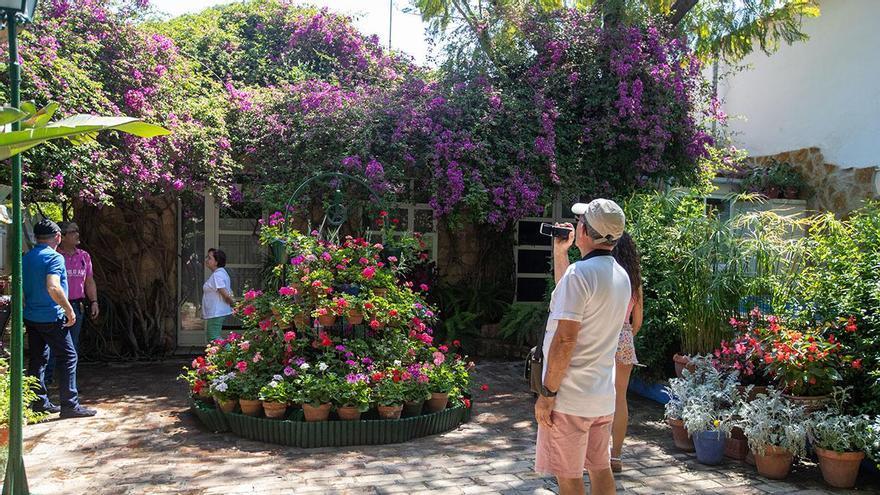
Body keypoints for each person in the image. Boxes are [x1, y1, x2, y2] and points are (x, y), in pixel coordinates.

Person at [534, 199, 631, 495]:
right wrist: (561, 253)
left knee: (569, 478)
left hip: (570, 398)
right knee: (600, 469)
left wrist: (547, 395)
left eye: (580, 222)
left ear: (585, 231)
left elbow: (565, 339)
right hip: (600, 396)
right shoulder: (620, 275)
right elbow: (568, 300)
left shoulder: (581, 275)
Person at [24, 219, 96, 418]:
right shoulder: (54, 258)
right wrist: (68, 310)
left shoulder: (27, 257)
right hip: (51, 316)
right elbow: (53, 286)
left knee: (38, 360)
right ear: (57, 237)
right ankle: (70, 406)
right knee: (68, 357)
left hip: (31, 317)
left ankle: (38, 403)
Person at [45, 221, 97, 385]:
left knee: (72, 347)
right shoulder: (55, 256)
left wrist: (94, 301)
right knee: (53, 347)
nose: (77, 234)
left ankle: (68, 385)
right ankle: (47, 383)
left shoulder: (84, 256)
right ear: (63, 236)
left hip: (76, 306)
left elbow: (89, 281)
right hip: (57, 306)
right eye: (73, 231)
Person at [609, 233, 643, 473]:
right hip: (624, 336)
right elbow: (638, 320)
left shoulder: (605, 276)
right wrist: (627, 335)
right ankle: (616, 456)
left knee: (594, 395)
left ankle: (593, 454)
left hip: (601, 337)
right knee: (620, 398)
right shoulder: (634, 281)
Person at [203, 248, 234, 341]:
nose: (206, 260)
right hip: (217, 312)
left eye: (209, 258)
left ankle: (230, 354)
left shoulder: (217, 275)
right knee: (213, 337)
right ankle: (225, 354)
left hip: (216, 312)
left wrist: (235, 305)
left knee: (213, 337)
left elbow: (225, 294)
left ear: (216, 262)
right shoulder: (221, 273)